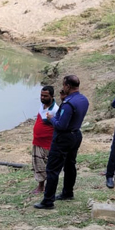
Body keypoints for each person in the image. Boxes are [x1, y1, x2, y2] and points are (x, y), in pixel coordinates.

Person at [34, 75, 89, 209]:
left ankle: (48, 201)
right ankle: (67, 192)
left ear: (68, 86)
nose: (62, 88)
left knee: (52, 169)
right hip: (76, 134)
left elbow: (61, 125)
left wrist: (52, 118)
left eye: (64, 85)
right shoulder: (83, 100)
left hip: (63, 138)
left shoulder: (68, 104)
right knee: (70, 165)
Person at [31, 86, 59, 194]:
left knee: (47, 165)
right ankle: (41, 185)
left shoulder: (55, 110)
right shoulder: (42, 105)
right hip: (37, 142)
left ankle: (45, 186)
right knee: (38, 164)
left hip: (48, 144)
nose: (42, 98)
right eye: (41, 95)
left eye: (45, 96)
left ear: (52, 96)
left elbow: (57, 126)